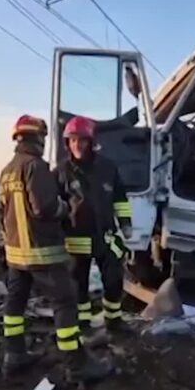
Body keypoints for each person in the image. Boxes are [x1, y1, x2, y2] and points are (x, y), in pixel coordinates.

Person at [0, 114, 112, 383]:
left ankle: (14, 356)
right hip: (42, 253)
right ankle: (77, 364)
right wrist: (67, 208)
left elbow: (2, 215)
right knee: (65, 302)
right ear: (38, 138)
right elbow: (45, 207)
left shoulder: (7, 171)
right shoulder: (35, 166)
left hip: (16, 256)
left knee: (15, 305)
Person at [54, 116, 134, 338]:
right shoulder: (60, 172)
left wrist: (126, 224)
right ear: (67, 143)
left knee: (114, 279)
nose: (77, 145)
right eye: (72, 140)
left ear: (91, 142)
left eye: (81, 140)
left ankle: (114, 321)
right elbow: (52, 207)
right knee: (78, 285)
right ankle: (83, 323)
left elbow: (120, 198)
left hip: (106, 236)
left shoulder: (108, 168)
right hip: (76, 239)